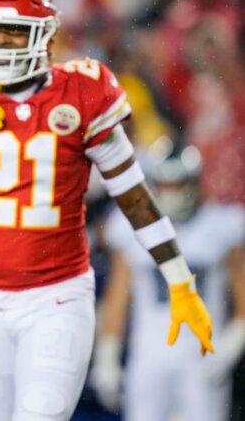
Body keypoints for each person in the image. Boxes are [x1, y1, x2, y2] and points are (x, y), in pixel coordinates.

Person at [0, 0, 214, 421]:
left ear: (45, 36)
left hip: (56, 297)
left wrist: (179, 278)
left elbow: (131, 192)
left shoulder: (81, 92)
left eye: (14, 32)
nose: (0, 44)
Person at [92, 143, 245, 421]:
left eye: (178, 184)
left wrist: (231, 346)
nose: (172, 192)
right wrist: (107, 357)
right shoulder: (131, 228)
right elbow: (118, 298)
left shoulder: (221, 225)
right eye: (166, 184)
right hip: (149, 354)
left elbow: (242, 295)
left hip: (202, 355)